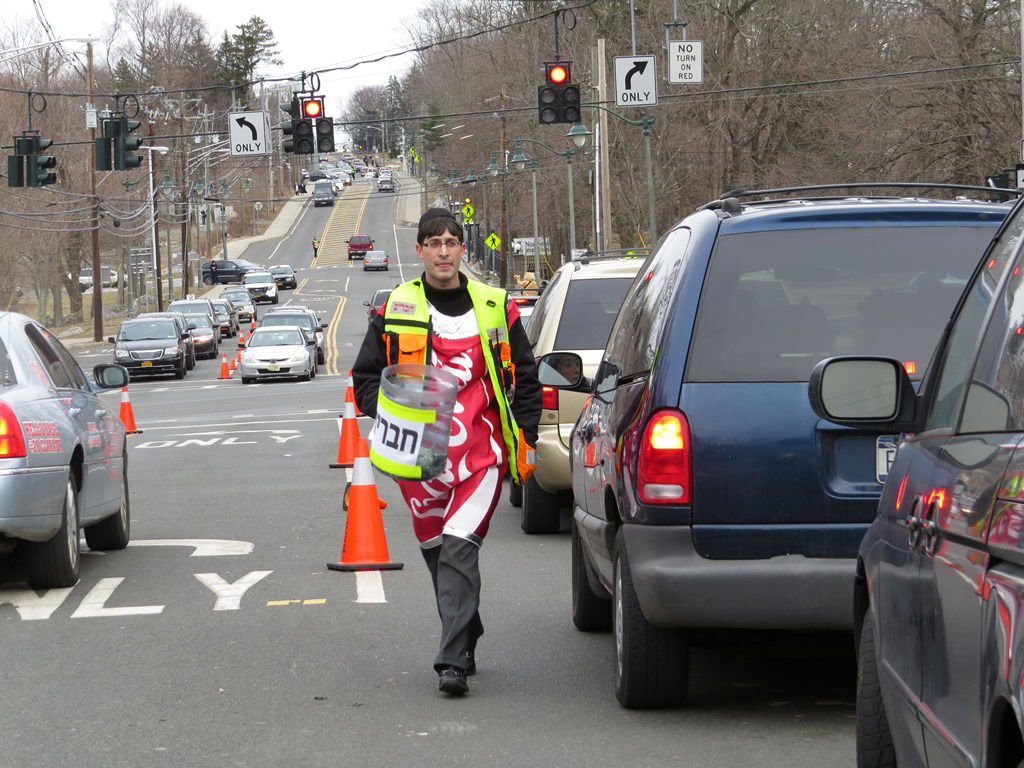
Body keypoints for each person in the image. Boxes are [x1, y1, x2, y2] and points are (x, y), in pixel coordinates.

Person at [353, 208, 541, 697]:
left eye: (450, 242)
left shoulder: (496, 305)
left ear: (462, 248)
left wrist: (527, 436)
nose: (442, 251)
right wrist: (388, 415)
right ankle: (467, 631)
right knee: (440, 555)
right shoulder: (395, 307)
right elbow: (365, 378)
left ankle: (451, 661)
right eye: (432, 243)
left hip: (481, 455)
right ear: (419, 250)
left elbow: (524, 375)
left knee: (460, 543)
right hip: (418, 462)